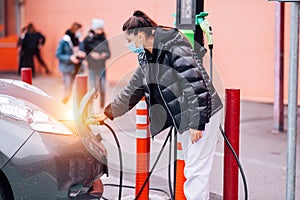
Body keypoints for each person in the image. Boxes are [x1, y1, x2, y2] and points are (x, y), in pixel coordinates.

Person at [89, 10, 223, 200]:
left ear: (142, 35)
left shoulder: (175, 48)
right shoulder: (146, 56)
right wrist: (108, 113)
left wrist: (197, 123)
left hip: (203, 112)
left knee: (196, 168)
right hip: (186, 115)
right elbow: (133, 89)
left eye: (129, 40)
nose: (128, 45)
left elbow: (195, 84)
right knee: (189, 165)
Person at [80, 18, 111, 108]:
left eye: (101, 29)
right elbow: (82, 52)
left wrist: (103, 55)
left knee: (102, 87)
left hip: (102, 66)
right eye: (98, 29)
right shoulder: (87, 39)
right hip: (92, 66)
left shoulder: (104, 38)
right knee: (92, 87)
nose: (100, 31)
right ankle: (90, 106)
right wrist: (91, 55)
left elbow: (109, 53)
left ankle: (102, 106)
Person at [56, 22, 85, 104]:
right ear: (75, 30)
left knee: (77, 91)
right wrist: (70, 58)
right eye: (80, 30)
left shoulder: (78, 40)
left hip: (77, 68)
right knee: (68, 91)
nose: (81, 32)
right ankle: (62, 107)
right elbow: (58, 54)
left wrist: (80, 54)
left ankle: (74, 109)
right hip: (68, 69)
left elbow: (77, 51)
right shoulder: (64, 41)